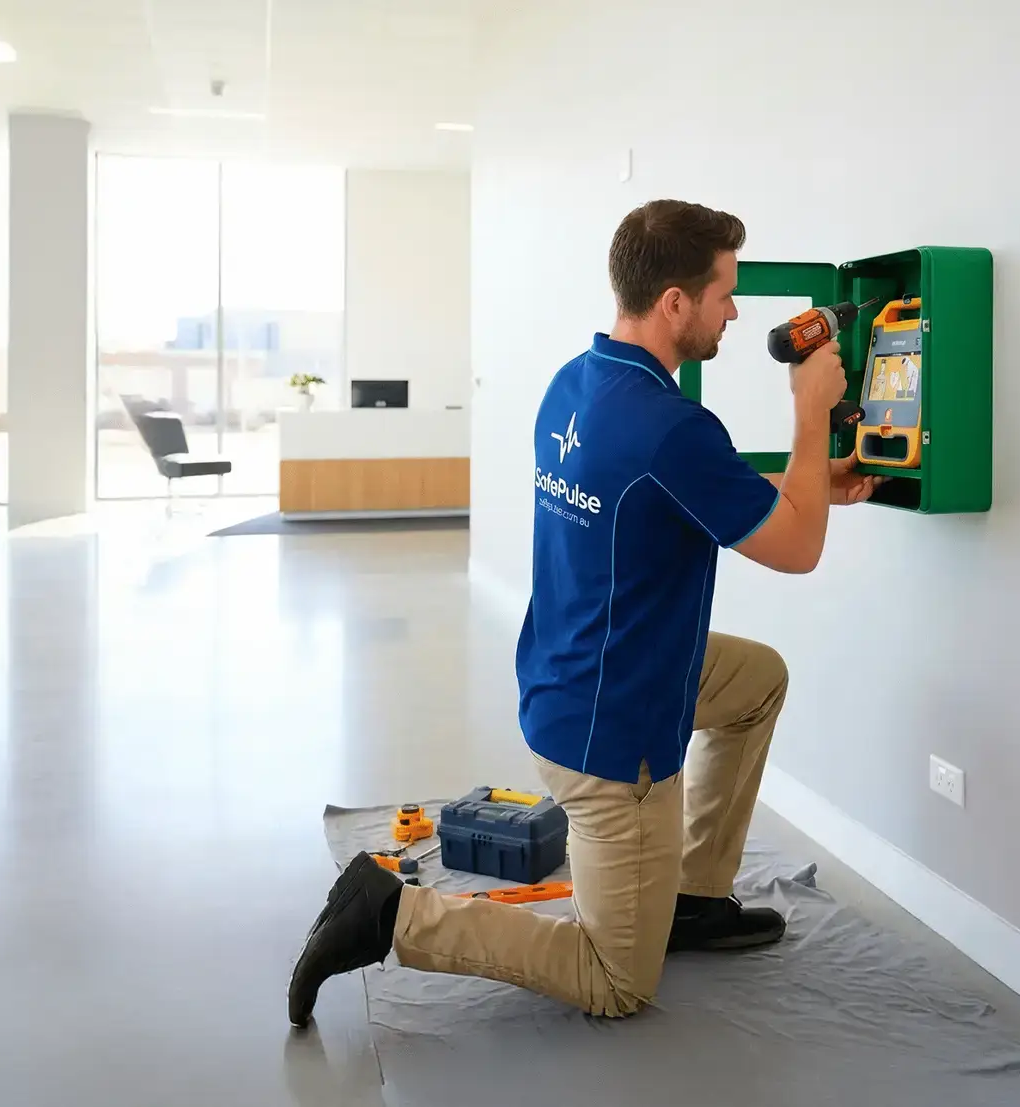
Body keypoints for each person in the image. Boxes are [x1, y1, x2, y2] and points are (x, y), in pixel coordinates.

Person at [288, 199, 881, 1026]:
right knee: (616, 980)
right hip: (616, 739)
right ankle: (391, 913)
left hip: (571, 678)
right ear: (675, 302)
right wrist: (811, 414)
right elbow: (797, 550)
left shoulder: (578, 385)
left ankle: (694, 898)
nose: (736, 312)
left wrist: (814, 483)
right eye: (724, 294)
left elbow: (679, 491)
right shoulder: (674, 429)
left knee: (756, 680)